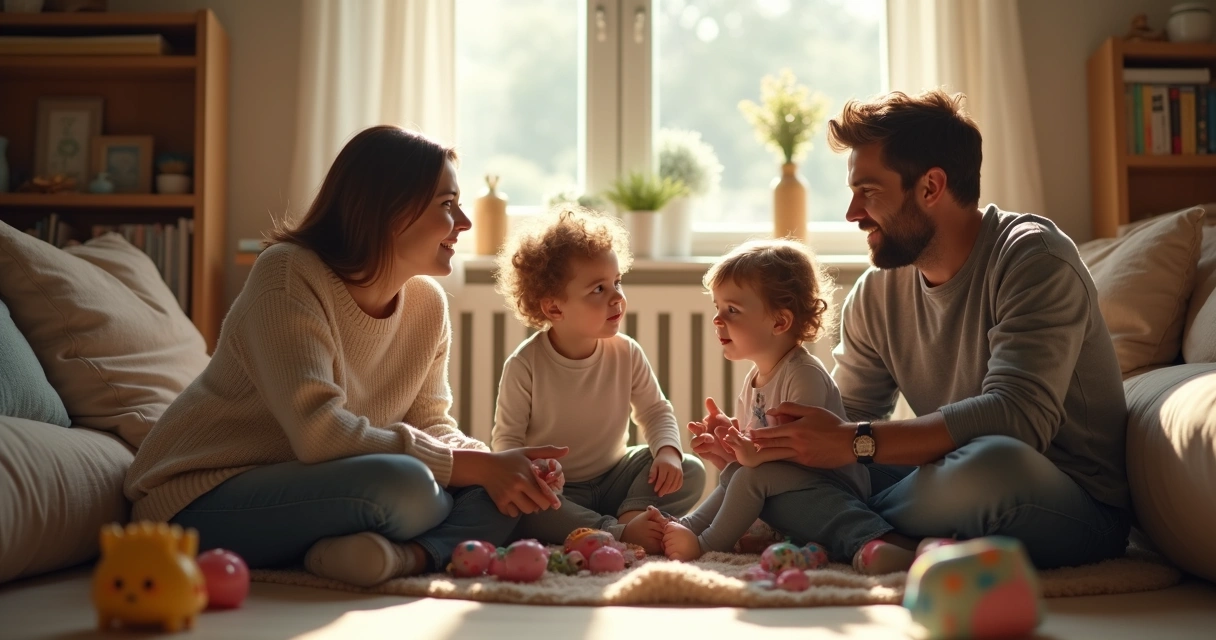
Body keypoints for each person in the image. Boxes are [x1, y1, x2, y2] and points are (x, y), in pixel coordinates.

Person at [125, 126, 567, 587]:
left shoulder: (427, 304)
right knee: (412, 488)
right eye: (446, 205)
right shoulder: (288, 274)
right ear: (388, 210)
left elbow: (431, 425)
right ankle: (402, 541)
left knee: (494, 495)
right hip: (199, 500)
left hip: (320, 489)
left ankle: (402, 559)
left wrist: (501, 466)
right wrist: (473, 468)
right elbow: (319, 433)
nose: (464, 222)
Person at [744, 89, 1131, 573]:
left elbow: (1018, 418)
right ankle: (879, 536)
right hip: (945, 478)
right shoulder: (877, 293)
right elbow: (847, 426)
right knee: (779, 470)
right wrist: (764, 445)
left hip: (1065, 497)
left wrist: (851, 445)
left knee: (991, 466)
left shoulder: (1034, 257)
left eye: (869, 191)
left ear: (930, 186)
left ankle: (841, 526)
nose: (852, 214)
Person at [491, 207, 706, 554]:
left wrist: (667, 453)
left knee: (690, 469)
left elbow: (655, 410)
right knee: (525, 507)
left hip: (616, 478)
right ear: (554, 309)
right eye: (598, 289)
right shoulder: (524, 365)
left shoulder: (627, 352)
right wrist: (540, 475)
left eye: (617, 282)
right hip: (561, 491)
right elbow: (508, 444)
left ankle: (634, 515)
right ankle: (616, 531)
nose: (617, 296)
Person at [660, 239, 865, 561]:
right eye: (717, 307)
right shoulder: (754, 379)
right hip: (787, 478)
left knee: (749, 476)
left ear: (779, 322)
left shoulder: (804, 374)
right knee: (734, 474)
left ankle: (705, 545)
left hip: (829, 484)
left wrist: (750, 456)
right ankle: (688, 525)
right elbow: (754, 454)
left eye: (732, 310)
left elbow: (805, 447)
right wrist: (729, 445)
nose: (717, 319)